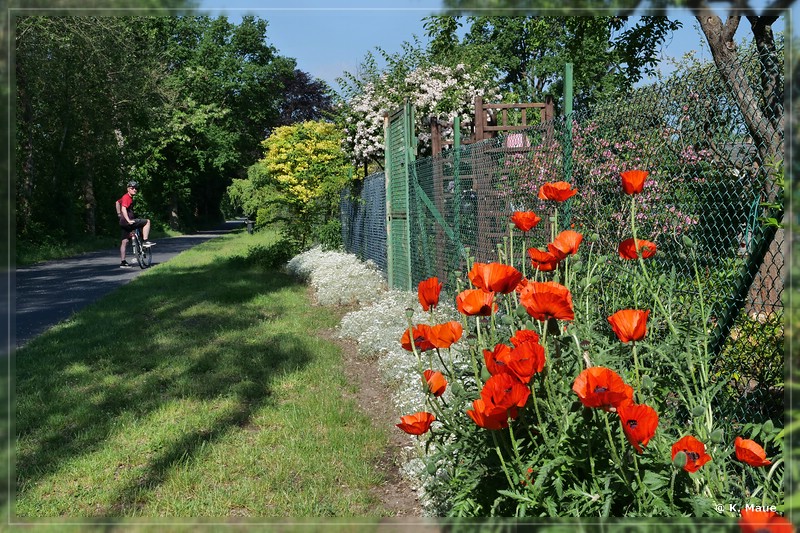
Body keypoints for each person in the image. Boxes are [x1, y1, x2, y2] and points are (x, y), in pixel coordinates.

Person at [117, 180, 154, 268]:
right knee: (147, 221)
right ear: (128, 189)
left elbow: (117, 203)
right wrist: (128, 220)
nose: (134, 190)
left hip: (122, 222)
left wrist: (118, 215)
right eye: (132, 188)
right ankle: (145, 241)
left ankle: (123, 262)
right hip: (128, 221)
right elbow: (124, 209)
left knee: (124, 241)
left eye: (136, 188)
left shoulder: (124, 197)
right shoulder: (127, 197)